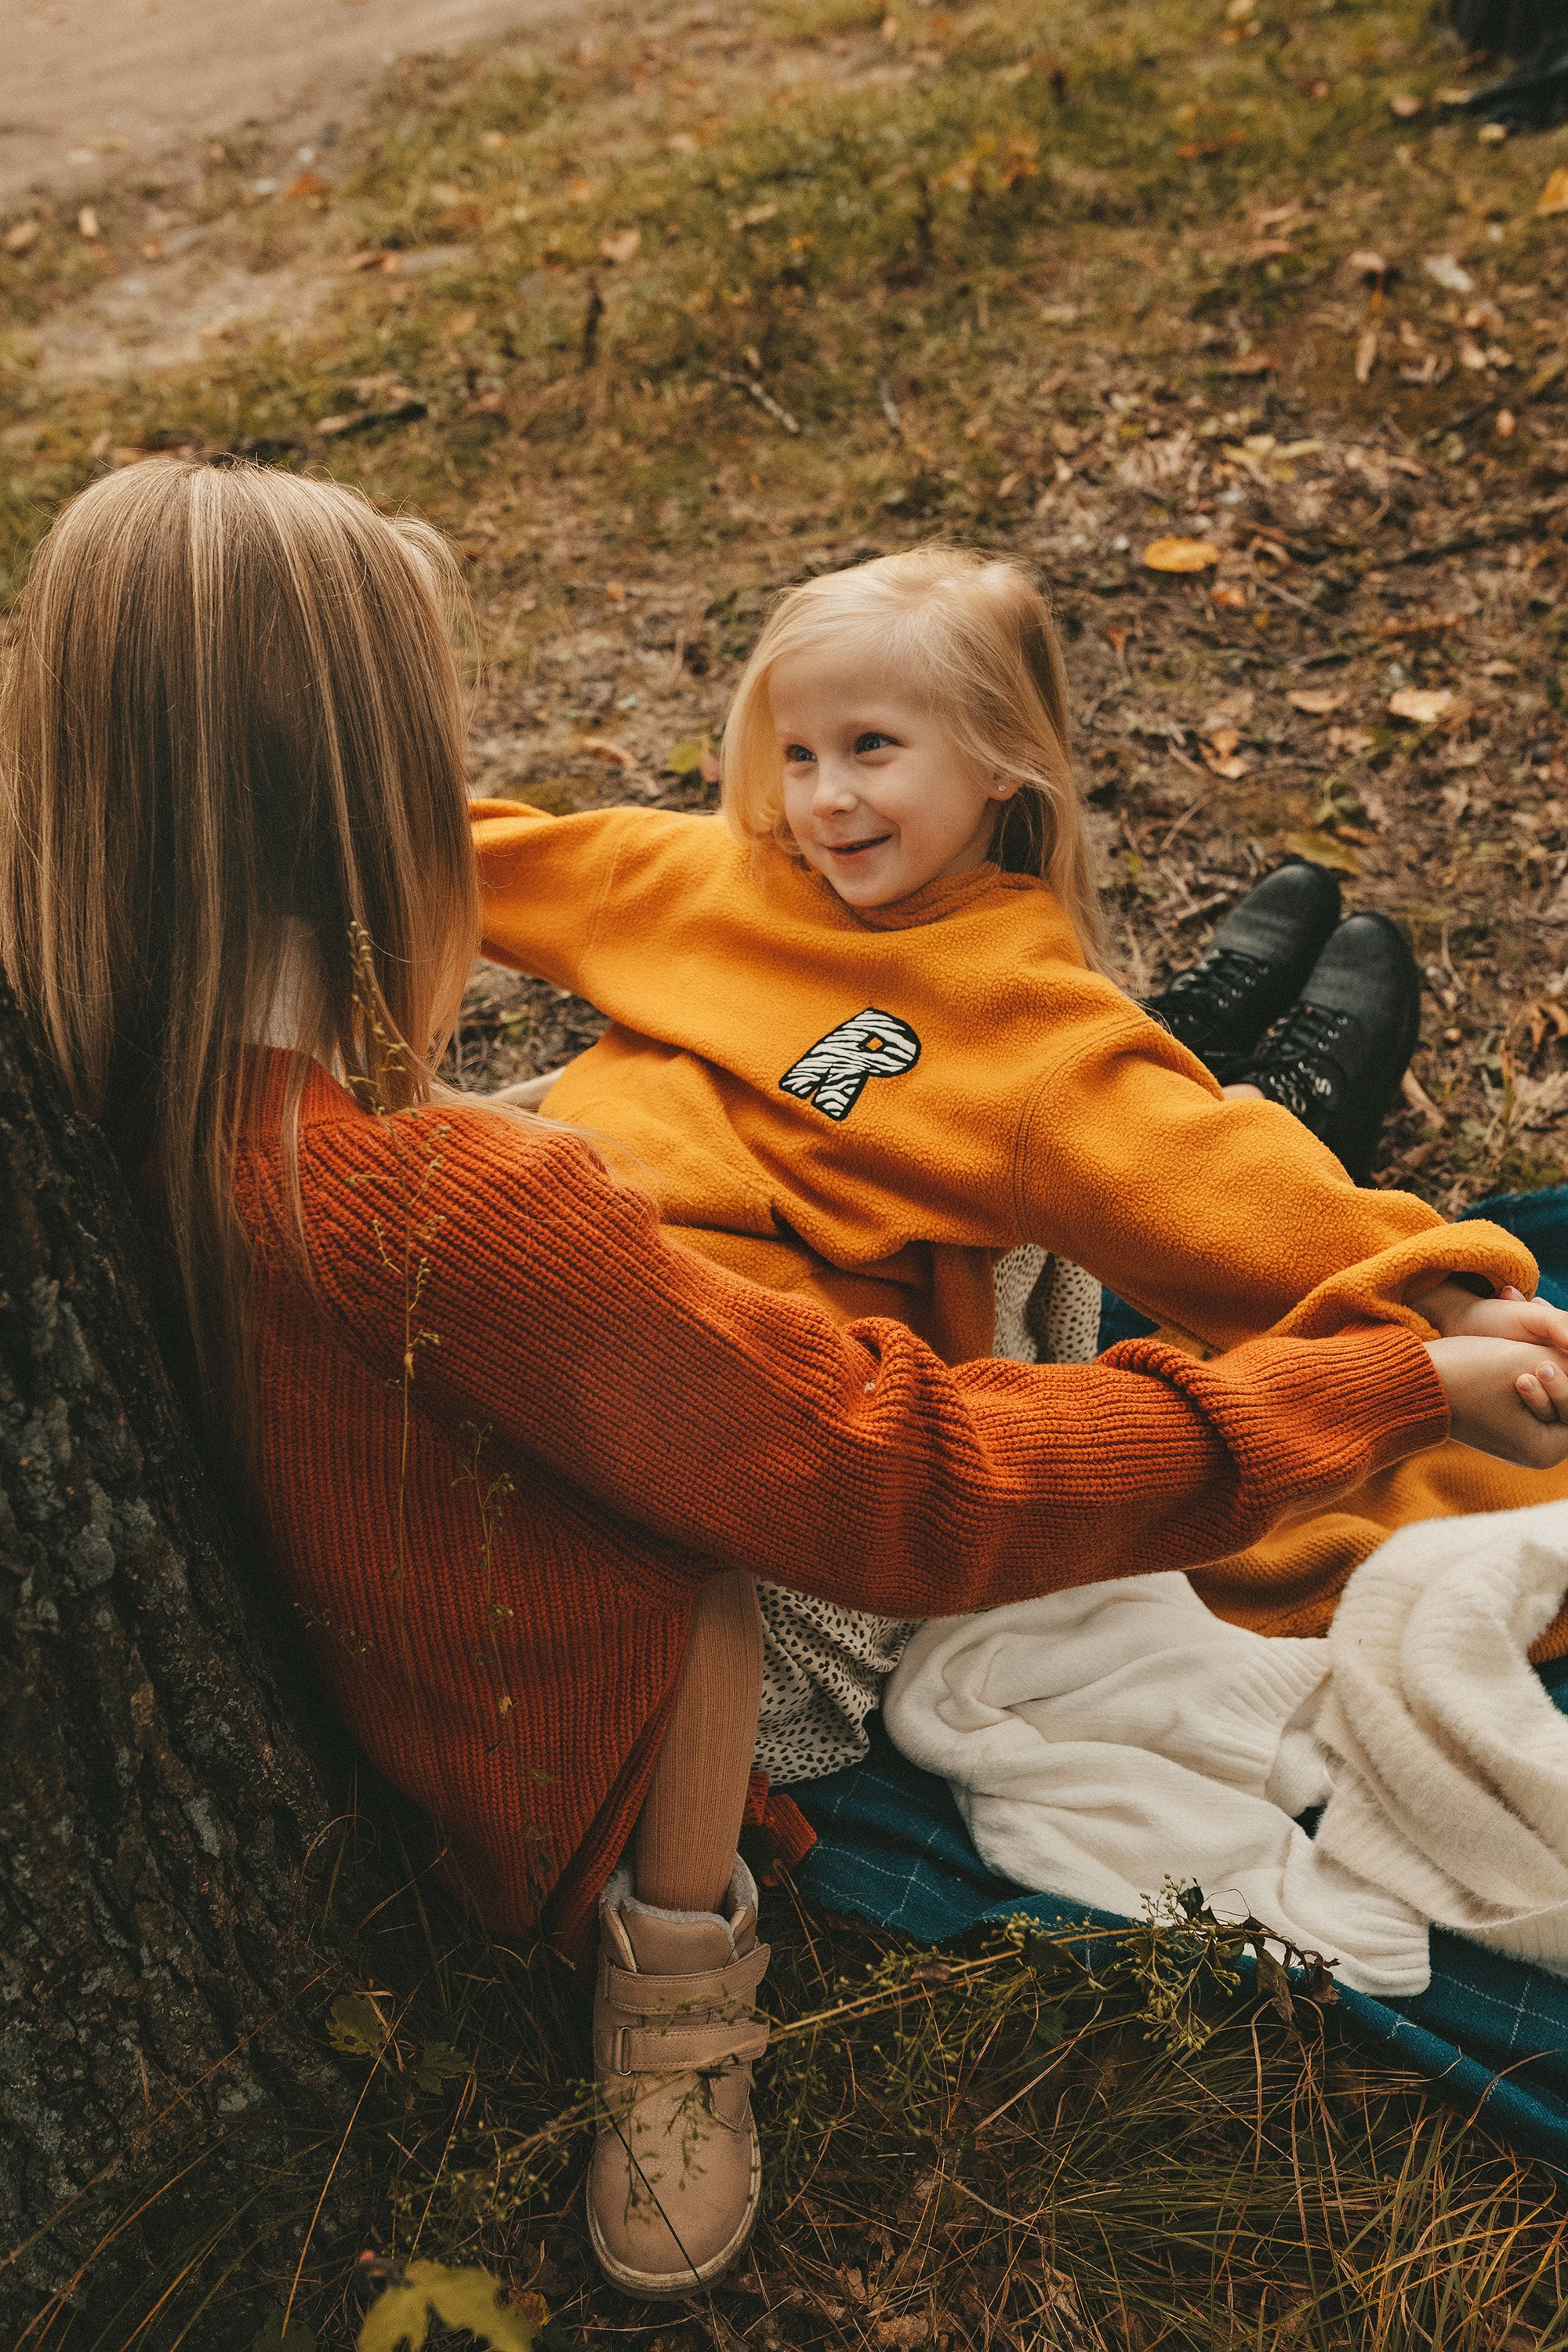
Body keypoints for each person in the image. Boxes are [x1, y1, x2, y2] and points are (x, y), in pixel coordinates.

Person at [2, 467, 1564, 2305]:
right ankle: (1265, 1074)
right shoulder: (444, 1207)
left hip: (583, 1528)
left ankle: (1209, 1042)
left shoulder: (106, 1070)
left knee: (978, 1097)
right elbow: (904, 1478)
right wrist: (1384, 1387)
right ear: (371, 804)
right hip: (650, 1734)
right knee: (1056, 1190)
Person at [470, 545, 1568, 1784]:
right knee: (1078, 1136)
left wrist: (1454, 1294)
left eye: (873, 747)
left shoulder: (1021, 1023)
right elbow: (452, 852)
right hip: (657, 1322)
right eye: (799, 752)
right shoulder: (692, 879)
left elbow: (1220, 1187)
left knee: (1123, 1122)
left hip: (809, 1346)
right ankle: (1202, 1044)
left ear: (1000, 761)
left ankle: (1247, 1081)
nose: (827, 796)